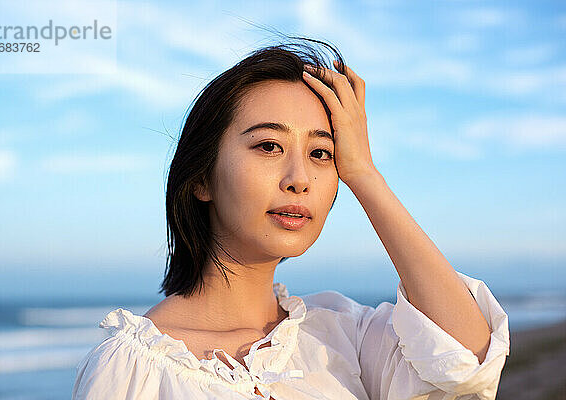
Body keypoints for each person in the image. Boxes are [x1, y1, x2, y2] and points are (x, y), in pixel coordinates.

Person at [71, 37, 510, 400]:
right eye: (268, 147)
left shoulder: (344, 334)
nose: (300, 180)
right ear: (202, 177)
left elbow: (468, 361)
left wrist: (363, 172)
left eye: (321, 154)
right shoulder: (131, 369)